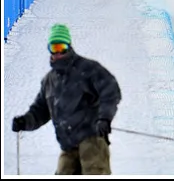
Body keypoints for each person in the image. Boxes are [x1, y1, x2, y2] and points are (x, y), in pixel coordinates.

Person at [12, 24, 122, 175]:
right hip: (68, 145)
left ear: (69, 47)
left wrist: (104, 118)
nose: (58, 53)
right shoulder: (49, 81)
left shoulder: (87, 69)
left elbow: (110, 90)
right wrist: (25, 121)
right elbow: (40, 110)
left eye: (61, 47)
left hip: (91, 140)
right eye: (54, 48)